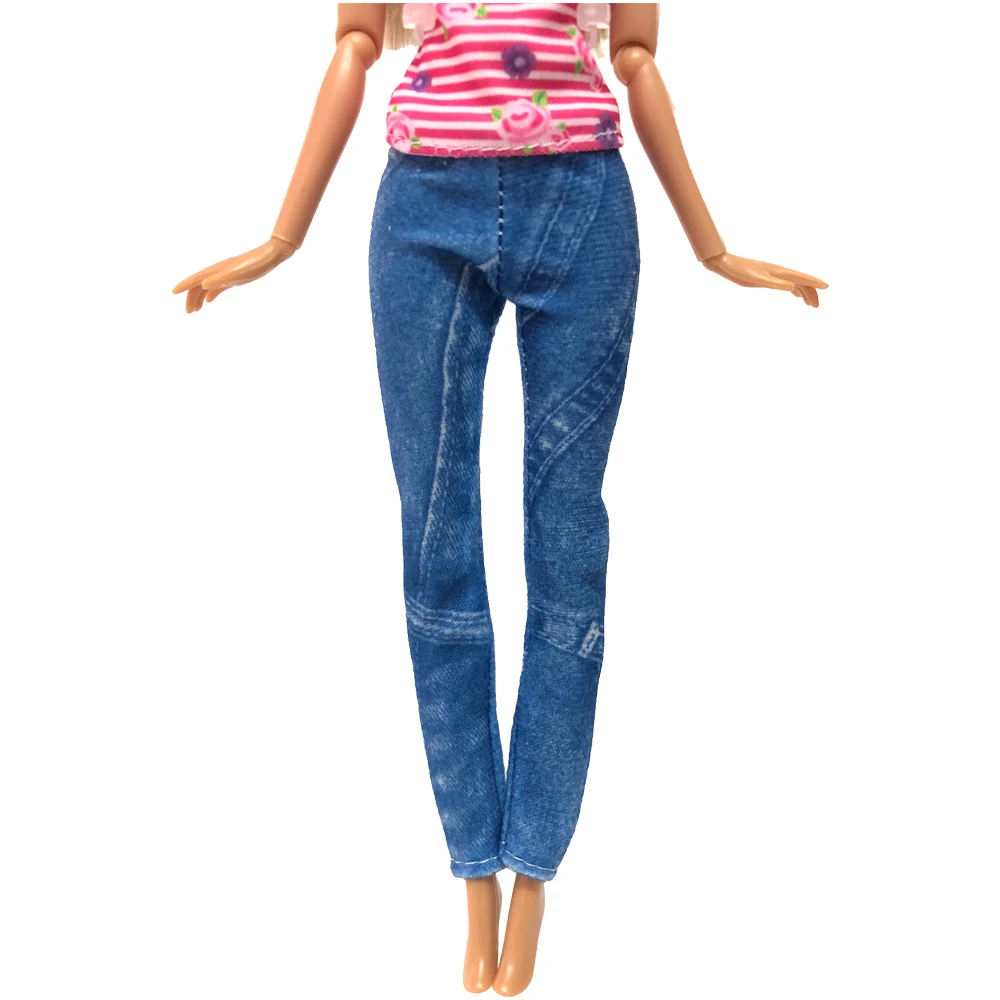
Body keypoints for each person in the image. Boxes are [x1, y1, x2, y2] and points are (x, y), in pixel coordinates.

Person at [173, 5, 827, 994]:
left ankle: (534, 869)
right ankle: (475, 871)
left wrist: (714, 247)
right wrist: (280, 236)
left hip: (583, 202)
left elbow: (636, 57)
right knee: (434, 546)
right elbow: (355, 44)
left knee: (568, 550)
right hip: (422, 205)